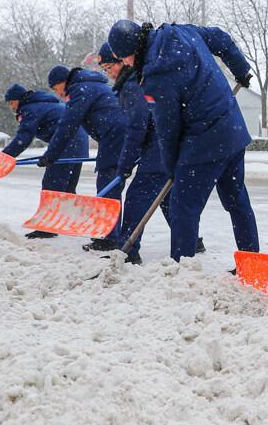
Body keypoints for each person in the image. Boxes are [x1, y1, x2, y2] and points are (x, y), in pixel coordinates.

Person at [107, 20, 259, 263]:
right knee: (237, 200)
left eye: (124, 58)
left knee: (182, 207)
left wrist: (171, 167)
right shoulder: (181, 32)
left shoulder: (156, 74)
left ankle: (181, 270)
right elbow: (221, 38)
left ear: (134, 50)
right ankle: (252, 262)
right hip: (232, 128)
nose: (125, 63)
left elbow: (168, 130)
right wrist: (240, 69)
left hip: (204, 140)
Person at [95, 43, 205, 263]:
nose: (108, 73)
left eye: (109, 67)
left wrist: (125, 165)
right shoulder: (139, 79)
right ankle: (191, 242)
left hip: (160, 149)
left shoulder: (131, 84)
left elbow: (138, 125)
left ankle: (128, 251)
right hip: (169, 145)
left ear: (121, 62)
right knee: (167, 198)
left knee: (138, 196)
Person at [39, 64, 128, 250]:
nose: (59, 94)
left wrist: (51, 154)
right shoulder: (91, 84)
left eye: (56, 89)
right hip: (119, 133)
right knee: (110, 181)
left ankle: (110, 237)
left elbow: (68, 123)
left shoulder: (79, 89)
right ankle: (110, 234)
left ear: (62, 82)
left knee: (107, 182)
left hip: (114, 134)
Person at [1, 83, 89, 239]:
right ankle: (69, 220)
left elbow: (24, 137)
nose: (11, 107)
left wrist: (4, 156)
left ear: (18, 99)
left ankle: (48, 228)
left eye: (11, 102)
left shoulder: (30, 109)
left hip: (66, 145)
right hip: (79, 144)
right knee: (66, 187)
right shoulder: (45, 104)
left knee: (52, 185)